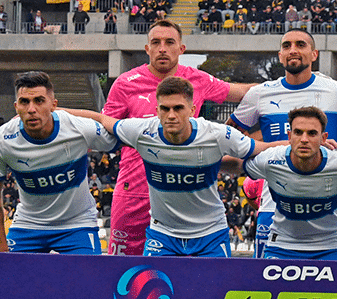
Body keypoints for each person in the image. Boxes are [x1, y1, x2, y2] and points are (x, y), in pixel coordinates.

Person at [95, 20, 256, 256]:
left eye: (169, 42)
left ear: (181, 48)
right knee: (122, 270)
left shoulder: (198, 79)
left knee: (191, 274)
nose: (162, 48)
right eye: (156, 43)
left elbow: (244, 93)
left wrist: (291, 87)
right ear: (147, 49)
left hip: (181, 194)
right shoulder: (125, 84)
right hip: (134, 190)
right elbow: (105, 130)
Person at [226, 28, 337, 257]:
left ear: (314, 54)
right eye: (287, 46)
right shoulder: (260, 94)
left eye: (301, 45)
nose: (293, 50)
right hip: (272, 211)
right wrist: (276, 146)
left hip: (325, 211)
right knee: (270, 288)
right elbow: (227, 140)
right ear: (280, 55)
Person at [76, 77, 272, 257]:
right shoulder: (142, 131)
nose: (171, 115)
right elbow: (102, 119)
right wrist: (55, 113)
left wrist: (296, 146)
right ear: (156, 111)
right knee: (154, 290)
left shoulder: (217, 134)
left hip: (210, 234)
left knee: (212, 294)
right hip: (163, 235)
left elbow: (263, 149)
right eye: (165, 108)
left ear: (192, 110)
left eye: (178, 108)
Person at [0, 71, 119, 254]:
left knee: (90, 281)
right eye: (25, 102)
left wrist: (102, 118)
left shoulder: (78, 127)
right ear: (16, 106)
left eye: (39, 101)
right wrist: (2, 248)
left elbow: (126, 136)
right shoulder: (4, 140)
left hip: (77, 224)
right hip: (28, 224)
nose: (32, 109)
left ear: (54, 105)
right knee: (9, 280)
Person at [243, 106, 337, 260]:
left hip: (332, 247)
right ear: (289, 136)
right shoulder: (270, 160)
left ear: (324, 138)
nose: (304, 139)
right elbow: (234, 164)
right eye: (298, 132)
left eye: (312, 133)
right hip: (282, 246)